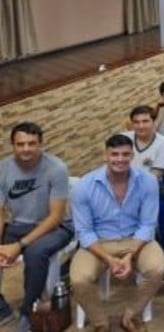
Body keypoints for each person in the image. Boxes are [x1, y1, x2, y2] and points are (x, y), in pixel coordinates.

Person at [70, 135, 164, 332]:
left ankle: (132, 315)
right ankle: (100, 323)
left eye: (125, 154)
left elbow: (148, 224)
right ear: (105, 155)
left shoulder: (148, 181)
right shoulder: (84, 186)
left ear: (132, 155)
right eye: (114, 154)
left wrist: (130, 255)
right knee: (79, 279)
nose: (120, 159)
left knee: (157, 270)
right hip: (98, 242)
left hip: (137, 239)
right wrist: (109, 259)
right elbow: (84, 231)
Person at [0, 122, 73, 331]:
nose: (26, 149)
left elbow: (56, 216)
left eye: (32, 144)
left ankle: (27, 312)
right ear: (12, 145)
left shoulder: (56, 168)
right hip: (18, 224)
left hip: (56, 227)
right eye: (20, 144)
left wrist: (18, 245)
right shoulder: (3, 168)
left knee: (35, 253)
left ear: (41, 144)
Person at [124, 105, 164, 181]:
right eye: (136, 122)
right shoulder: (123, 138)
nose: (141, 126)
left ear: (153, 122)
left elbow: (154, 177)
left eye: (145, 121)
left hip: (150, 187)